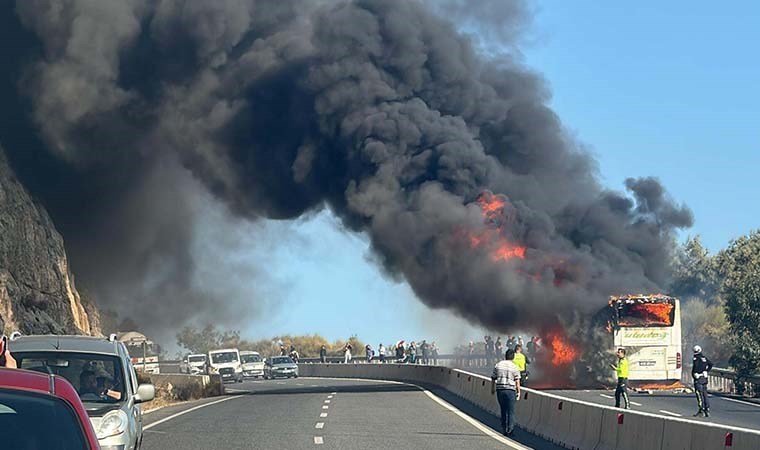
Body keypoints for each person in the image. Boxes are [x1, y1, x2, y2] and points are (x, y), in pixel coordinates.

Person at [491, 349, 521, 437]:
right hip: (510, 391)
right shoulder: (514, 367)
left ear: (505, 356)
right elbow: (517, 381)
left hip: (500, 390)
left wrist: (492, 389)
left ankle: (504, 429)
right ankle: (510, 430)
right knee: (511, 411)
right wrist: (518, 392)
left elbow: (493, 378)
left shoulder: (498, 365)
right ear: (513, 357)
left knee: (503, 410)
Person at [692, 345, 713, 417]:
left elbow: (696, 367)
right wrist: (706, 371)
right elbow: (711, 364)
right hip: (705, 378)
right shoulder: (704, 358)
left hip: (699, 378)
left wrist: (695, 374)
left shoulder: (696, 358)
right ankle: (707, 409)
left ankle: (701, 410)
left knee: (699, 394)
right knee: (705, 394)